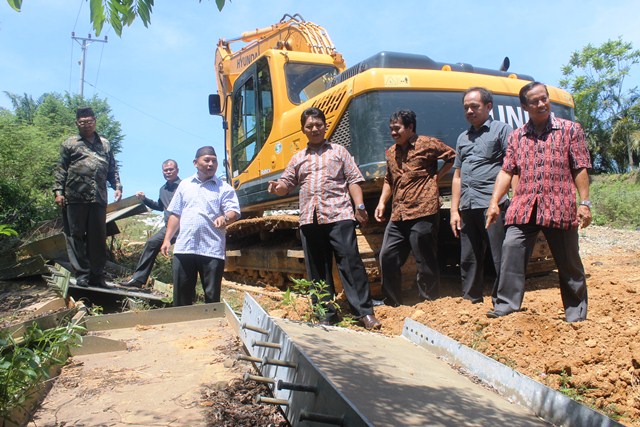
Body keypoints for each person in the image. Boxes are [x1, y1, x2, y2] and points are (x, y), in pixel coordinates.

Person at [485, 81, 592, 322]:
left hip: (560, 205)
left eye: (544, 98)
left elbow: (580, 167)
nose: (542, 104)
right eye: (535, 101)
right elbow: (506, 171)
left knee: (569, 261)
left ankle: (576, 313)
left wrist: (585, 202)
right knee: (511, 247)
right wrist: (494, 202)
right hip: (524, 206)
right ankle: (507, 305)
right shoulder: (517, 136)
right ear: (524, 106)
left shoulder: (570, 129)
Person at [267, 107, 381, 330]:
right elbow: (285, 185)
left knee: (351, 264)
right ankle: (325, 313)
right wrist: (276, 188)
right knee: (317, 268)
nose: (315, 129)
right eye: (309, 126)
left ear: (325, 126)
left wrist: (359, 206)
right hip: (310, 220)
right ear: (303, 130)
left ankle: (364, 313)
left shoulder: (339, 151)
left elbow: (353, 180)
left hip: (339, 215)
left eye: (318, 124)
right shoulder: (298, 158)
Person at [375, 109, 456, 306]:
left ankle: (428, 302)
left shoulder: (427, 143)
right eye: (391, 129)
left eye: (397, 128)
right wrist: (382, 202)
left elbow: (452, 156)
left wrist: (438, 176)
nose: (393, 133)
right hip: (399, 213)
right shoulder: (391, 152)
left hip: (423, 210)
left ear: (410, 128)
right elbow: (389, 179)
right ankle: (391, 302)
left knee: (424, 259)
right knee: (387, 255)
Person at [450, 88, 513, 304]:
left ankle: (503, 302)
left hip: (492, 204)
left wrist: (508, 200)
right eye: (466, 107)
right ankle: (470, 300)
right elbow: (457, 175)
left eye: (474, 106)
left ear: (488, 107)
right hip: (467, 206)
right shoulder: (462, 137)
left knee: (499, 256)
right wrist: (453, 210)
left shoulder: (502, 130)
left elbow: (511, 168)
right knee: (469, 257)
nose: (469, 110)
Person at [160, 146, 240, 306]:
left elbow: (234, 211)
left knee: (211, 299)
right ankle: (182, 328)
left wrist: (224, 218)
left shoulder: (223, 188)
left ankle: (212, 329)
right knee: (181, 298)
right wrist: (167, 239)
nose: (211, 164)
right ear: (196, 163)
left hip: (211, 250)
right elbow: (175, 214)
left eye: (214, 161)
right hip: (185, 248)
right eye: (207, 160)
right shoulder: (184, 185)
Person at [54, 107, 123, 288]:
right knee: (75, 235)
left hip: (98, 197)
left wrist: (117, 186)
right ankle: (82, 274)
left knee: (98, 238)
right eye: (83, 122)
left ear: (95, 121)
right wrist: (58, 192)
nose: (86, 125)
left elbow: (112, 169)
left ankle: (97, 276)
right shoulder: (69, 144)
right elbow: (61, 169)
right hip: (74, 196)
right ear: (77, 123)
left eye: (90, 122)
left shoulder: (105, 144)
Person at [119, 159, 181, 288]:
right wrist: (144, 199)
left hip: (184, 226)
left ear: (177, 170)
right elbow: (159, 206)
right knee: (152, 243)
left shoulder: (184, 186)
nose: (168, 172)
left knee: (181, 256)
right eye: (165, 170)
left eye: (171, 169)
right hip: (168, 227)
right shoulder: (163, 189)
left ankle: (183, 289)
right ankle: (138, 279)